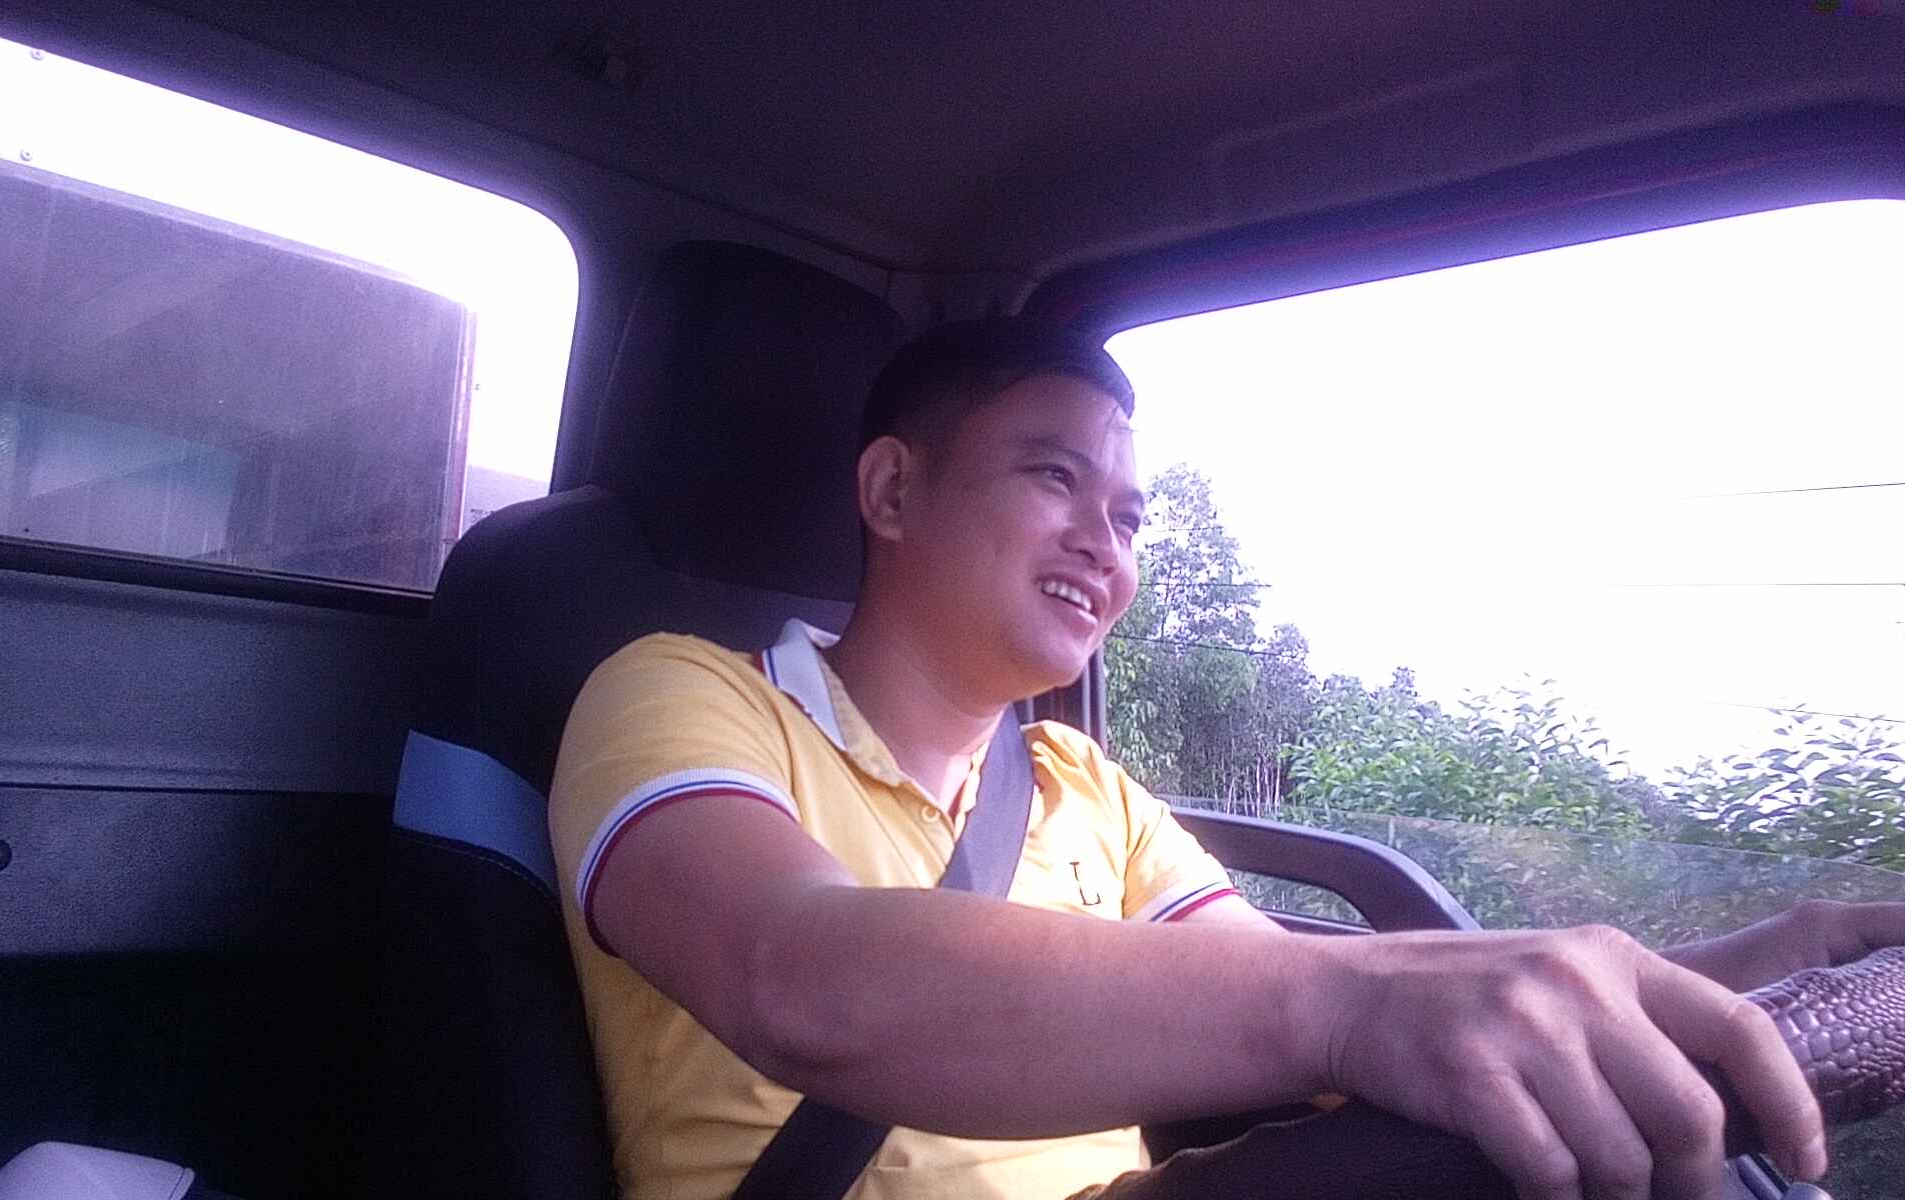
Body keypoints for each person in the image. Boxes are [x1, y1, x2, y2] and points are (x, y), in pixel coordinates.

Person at [547, 317, 1905, 1200]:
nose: (1105, 542)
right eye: (1055, 477)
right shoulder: (682, 696)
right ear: (894, 490)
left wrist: (1744, 966)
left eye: (1132, 516)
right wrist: (1349, 1007)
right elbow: (797, 975)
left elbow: (1290, 997)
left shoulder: (1086, 789)